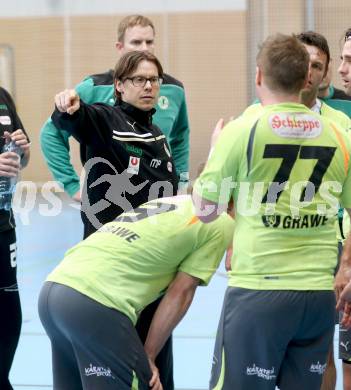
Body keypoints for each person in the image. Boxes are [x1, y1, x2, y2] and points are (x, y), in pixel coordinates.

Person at [192, 33, 351, 390]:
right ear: (305, 78)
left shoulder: (242, 130)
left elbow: (205, 210)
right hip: (317, 296)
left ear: (259, 76)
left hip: (259, 290)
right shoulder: (340, 135)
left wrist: (217, 150)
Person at [52, 49, 179, 389]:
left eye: (154, 80)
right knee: (126, 373)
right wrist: (68, 106)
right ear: (120, 86)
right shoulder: (106, 119)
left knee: (159, 373)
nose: (149, 86)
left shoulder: (159, 138)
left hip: (152, 273)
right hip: (113, 277)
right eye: (139, 79)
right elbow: (75, 120)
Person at [38, 195, 234, 390]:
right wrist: (148, 355)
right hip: (94, 302)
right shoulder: (217, 219)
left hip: (54, 291)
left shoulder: (173, 202)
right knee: (145, 383)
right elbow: (181, 293)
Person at [40, 14, 190, 202]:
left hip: (156, 198)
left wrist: (181, 183)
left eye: (149, 41)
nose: (144, 48)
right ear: (120, 47)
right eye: (136, 42)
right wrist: (71, 185)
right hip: (109, 199)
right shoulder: (93, 87)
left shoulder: (174, 89)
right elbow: (51, 132)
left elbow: (180, 138)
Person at [0, 87, 30, 390]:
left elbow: (22, 159)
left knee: (9, 312)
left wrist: (21, 150)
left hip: (3, 227)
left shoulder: (3, 96)